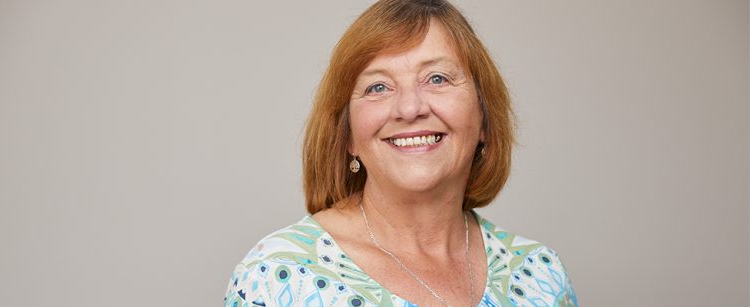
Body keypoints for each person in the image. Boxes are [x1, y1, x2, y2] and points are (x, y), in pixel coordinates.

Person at [224, 0, 578, 306]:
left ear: (484, 118)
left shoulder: (541, 276)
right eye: (378, 86)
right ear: (348, 136)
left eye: (437, 78)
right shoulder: (278, 277)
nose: (409, 108)